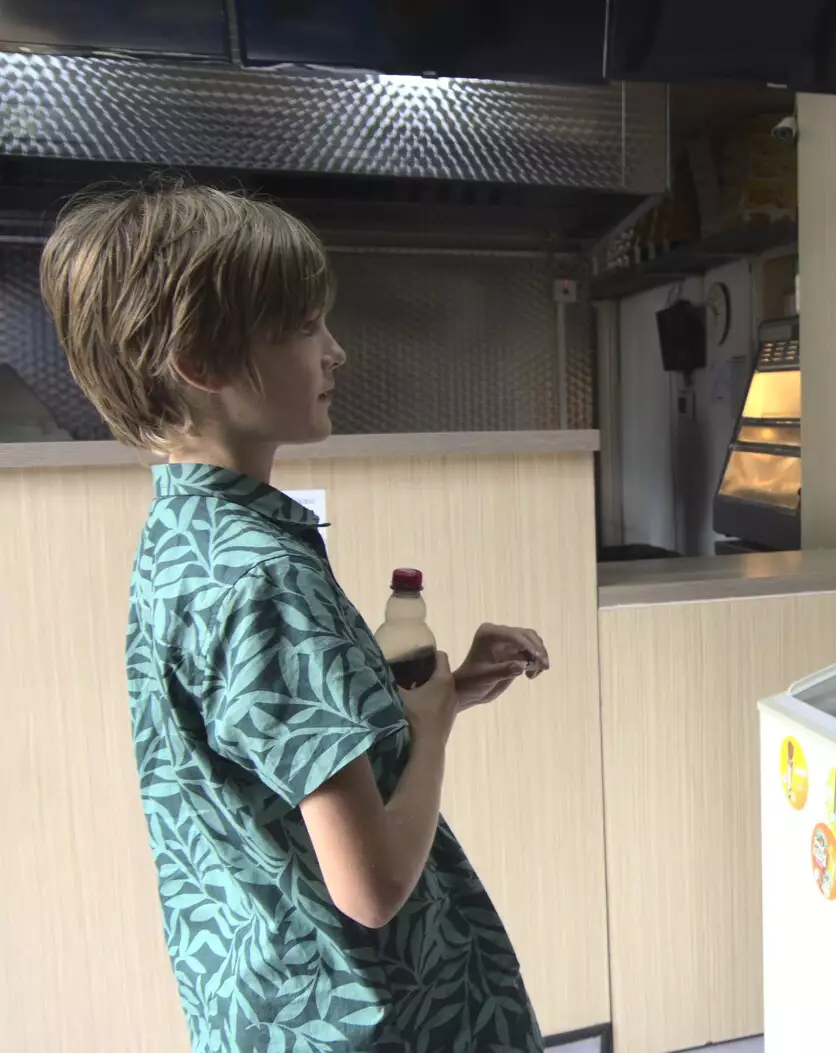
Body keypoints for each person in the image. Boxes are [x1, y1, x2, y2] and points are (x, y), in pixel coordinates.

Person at [39, 181, 551, 1052]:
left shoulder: (187, 535)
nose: (337, 352)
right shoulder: (262, 577)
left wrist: (447, 692)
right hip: (376, 1018)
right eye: (308, 326)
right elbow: (374, 884)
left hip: (269, 1006)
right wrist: (430, 733)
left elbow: (277, 754)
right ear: (202, 359)